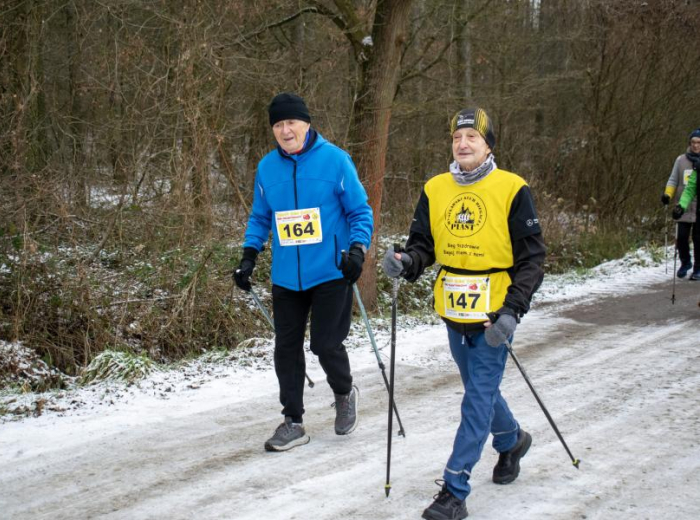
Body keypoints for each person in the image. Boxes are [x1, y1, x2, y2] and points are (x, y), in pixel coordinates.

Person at [381, 108, 546, 520]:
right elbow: (423, 245)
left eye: (473, 136)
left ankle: (454, 489)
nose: (463, 143)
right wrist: (406, 261)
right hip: (454, 309)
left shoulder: (512, 188)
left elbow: (532, 259)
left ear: (489, 144)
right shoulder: (435, 188)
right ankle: (511, 439)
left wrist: (512, 310)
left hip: (494, 315)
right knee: (479, 388)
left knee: (475, 398)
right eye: (457, 137)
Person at [232, 93, 374, 452]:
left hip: (330, 270)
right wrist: (249, 255)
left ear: (306, 123)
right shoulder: (266, 168)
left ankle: (344, 393)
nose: (285, 130)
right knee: (286, 348)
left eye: (291, 122)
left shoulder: (336, 161)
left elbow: (360, 212)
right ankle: (292, 421)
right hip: (285, 276)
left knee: (325, 344)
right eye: (278, 125)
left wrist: (357, 250)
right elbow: (261, 217)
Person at [669, 128, 700, 281]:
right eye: (693, 142)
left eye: (698, 143)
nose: (695, 145)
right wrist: (680, 206)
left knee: (698, 238)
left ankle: (698, 269)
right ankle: (686, 263)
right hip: (690, 208)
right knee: (682, 237)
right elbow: (689, 189)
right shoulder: (685, 162)